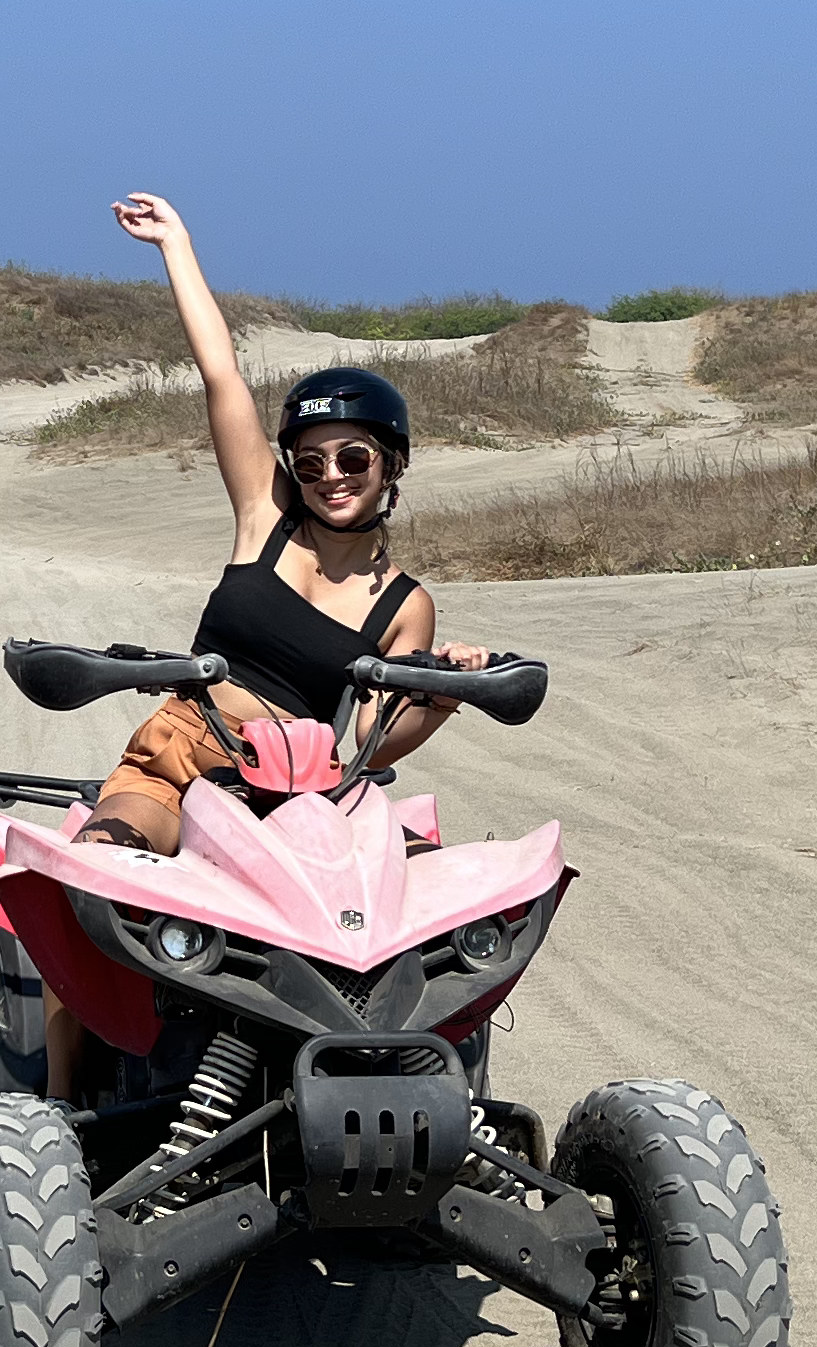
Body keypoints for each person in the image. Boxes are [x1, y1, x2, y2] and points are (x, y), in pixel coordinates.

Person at [51, 192, 494, 1097]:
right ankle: (64, 1109)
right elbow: (220, 375)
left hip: (305, 801)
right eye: (314, 458)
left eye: (354, 458)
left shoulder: (408, 606)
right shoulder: (264, 517)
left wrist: (440, 700)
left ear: (391, 467)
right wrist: (177, 246)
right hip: (180, 761)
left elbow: (373, 738)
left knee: (427, 941)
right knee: (96, 883)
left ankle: (413, 1103)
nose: (331, 475)